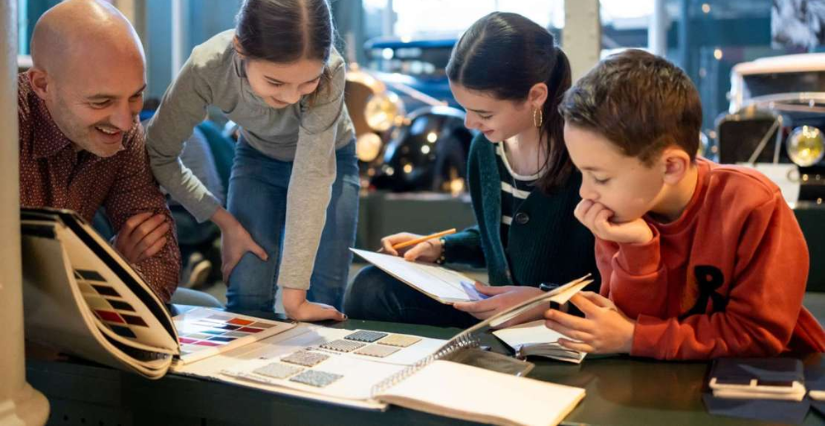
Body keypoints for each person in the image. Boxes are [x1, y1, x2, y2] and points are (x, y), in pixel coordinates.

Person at [545, 49, 825, 359]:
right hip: (666, 380)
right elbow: (624, 327)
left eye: (600, 177)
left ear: (670, 167)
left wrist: (636, 337)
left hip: (766, 383)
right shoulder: (624, 213)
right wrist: (638, 249)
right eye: (582, 173)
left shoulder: (753, 204)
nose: (585, 193)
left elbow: (758, 335)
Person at [344, 12, 597, 328]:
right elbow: (503, 241)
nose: (469, 123)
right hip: (496, 312)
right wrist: (440, 248)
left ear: (535, 96)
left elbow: (611, 276)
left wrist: (544, 301)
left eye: (484, 113)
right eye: (464, 108)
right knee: (370, 287)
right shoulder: (486, 149)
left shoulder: (585, 158)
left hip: (562, 320)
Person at [145, 0, 357, 320]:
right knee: (246, 298)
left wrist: (295, 298)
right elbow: (159, 154)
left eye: (307, 83)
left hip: (329, 159)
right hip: (258, 157)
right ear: (241, 49)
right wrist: (224, 222)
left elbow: (311, 177)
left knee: (322, 297)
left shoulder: (332, 69)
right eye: (275, 82)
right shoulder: (208, 65)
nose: (290, 98)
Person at [19, 0, 183, 303]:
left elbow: (160, 263)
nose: (125, 122)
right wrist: (107, 263)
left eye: (136, 96)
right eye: (100, 102)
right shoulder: (9, 127)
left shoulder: (125, 132)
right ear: (42, 85)